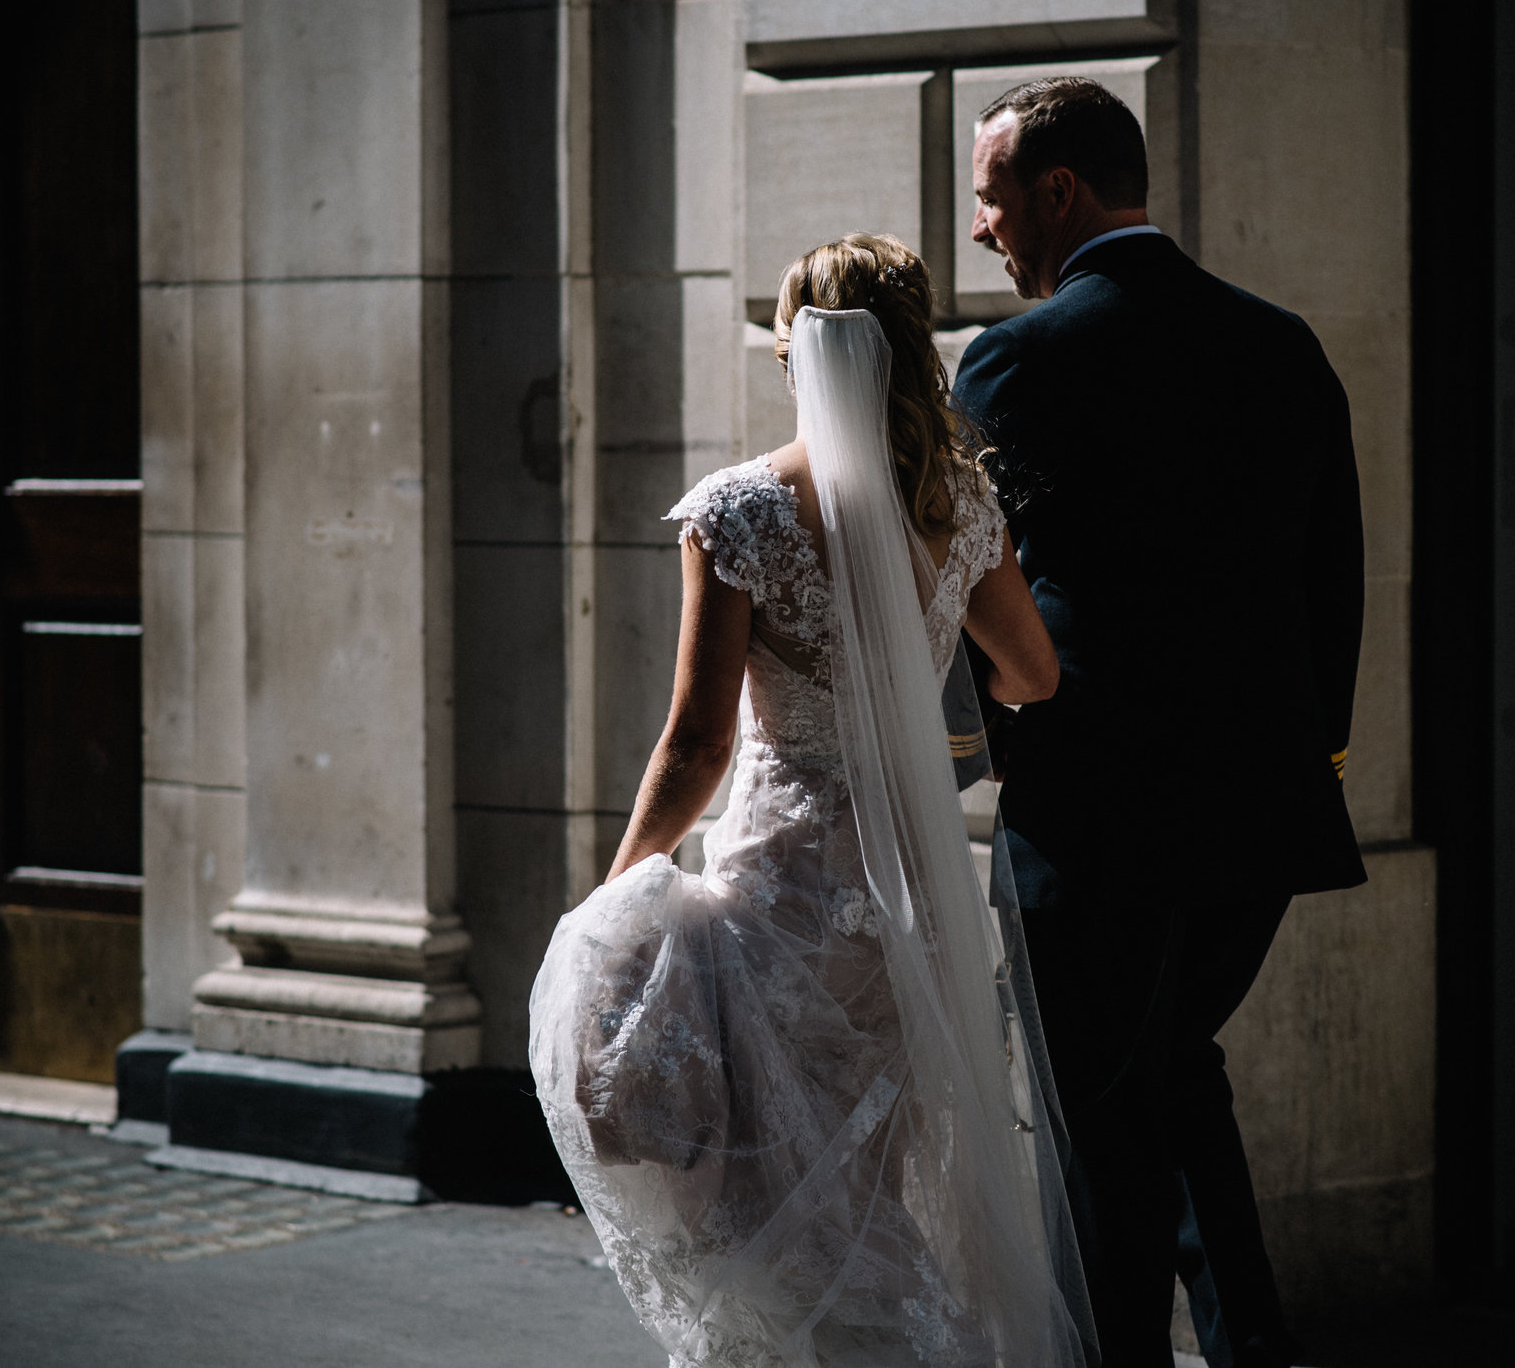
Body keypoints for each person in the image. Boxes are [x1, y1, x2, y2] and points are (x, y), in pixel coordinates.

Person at [530, 235, 1097, 1368]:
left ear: (795, 352)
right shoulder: (958, 508)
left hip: (784, 889)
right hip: (914, 905)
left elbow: (695, 745)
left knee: (763, 1198)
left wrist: (621, 893)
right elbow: (1032, 675)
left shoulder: (741, 511)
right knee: (866, 1175)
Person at [951, 78, 1366, 1368]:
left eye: (990, 194)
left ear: (1055, 192)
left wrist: (966, 754)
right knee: (1175, 1070)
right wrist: (1322, 754)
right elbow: (1334, 575)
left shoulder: (1020, 360)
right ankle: (1254, 1343)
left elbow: (975, 586)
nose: (981, 227)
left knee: (1096, 1121)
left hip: (1097, 819)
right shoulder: (1280, 340)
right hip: (1263, 812)